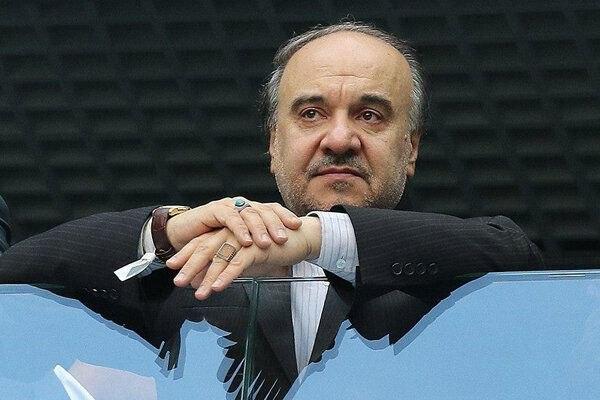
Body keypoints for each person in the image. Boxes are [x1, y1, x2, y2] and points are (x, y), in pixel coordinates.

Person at [0, 22, 543, 399]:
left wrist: (312, 237)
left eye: (371, 116)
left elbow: (512, 250)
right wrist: (165, 233)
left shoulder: (459, 286)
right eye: (311, 114)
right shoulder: (192, 281)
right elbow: (11, 283)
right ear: (272, 143)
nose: (339, 139)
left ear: (412, 149)